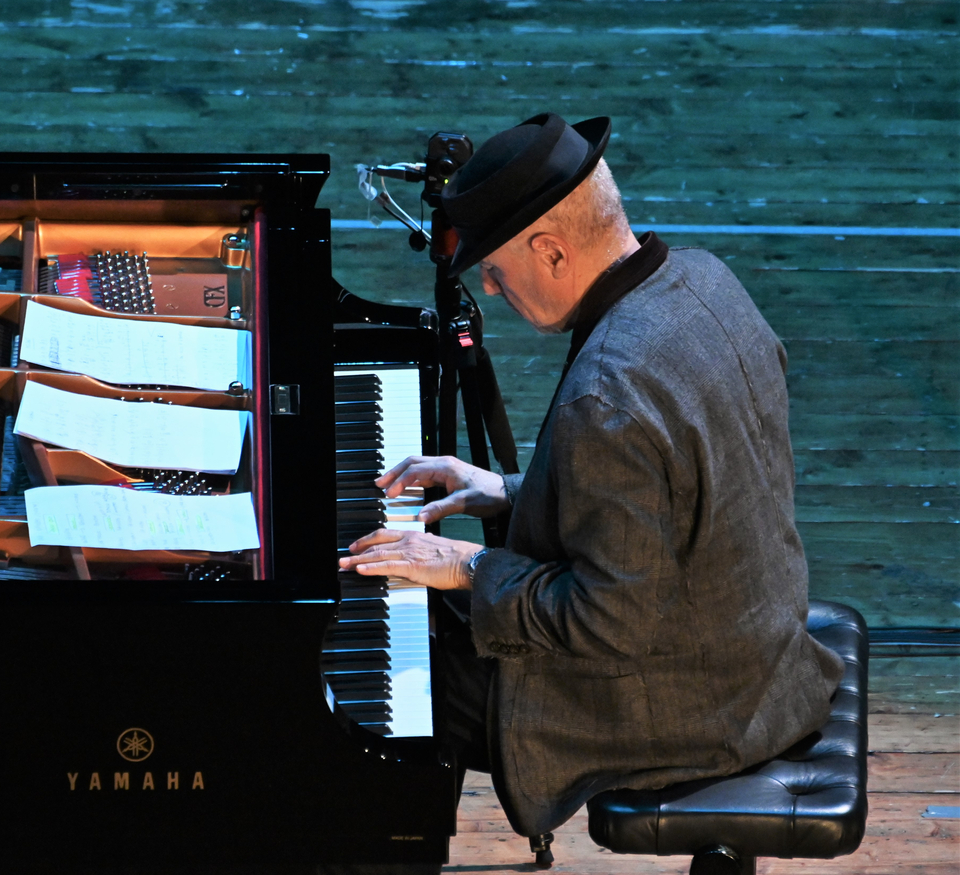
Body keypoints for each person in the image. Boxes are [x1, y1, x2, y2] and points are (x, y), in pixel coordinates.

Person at [338, 112, 845, 840]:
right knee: (420, 615)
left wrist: (469, 562)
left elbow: (606, 619)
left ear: (548, 250)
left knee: (383, 679)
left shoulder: (607, 395)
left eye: (495, 263)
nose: (488, 281)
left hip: (692, 704)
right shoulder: (705, 278)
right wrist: (505, 488)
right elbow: (673, 490)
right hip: (758, 647)